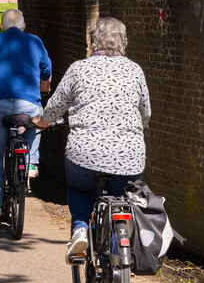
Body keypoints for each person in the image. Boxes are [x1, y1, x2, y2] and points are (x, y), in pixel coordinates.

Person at [33, 16, 150, 260]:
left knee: (79, 187)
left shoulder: (79, 68)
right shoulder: (135, 70)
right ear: (124, 41)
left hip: (84, 153)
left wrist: (42, 122)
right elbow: (145, 112)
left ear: (92, 42)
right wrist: (139, 128)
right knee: (124, 196)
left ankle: (79, 229)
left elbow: (55, 107)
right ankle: (122, 243)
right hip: (129, 157)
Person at [0, 8, 52, 219]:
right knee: (37, 121)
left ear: (1, 26)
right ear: (24, 26)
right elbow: (46, 70)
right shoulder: (35, 42)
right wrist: (43, 90)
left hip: (0, 105)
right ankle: (31, 161)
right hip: (28, 105)